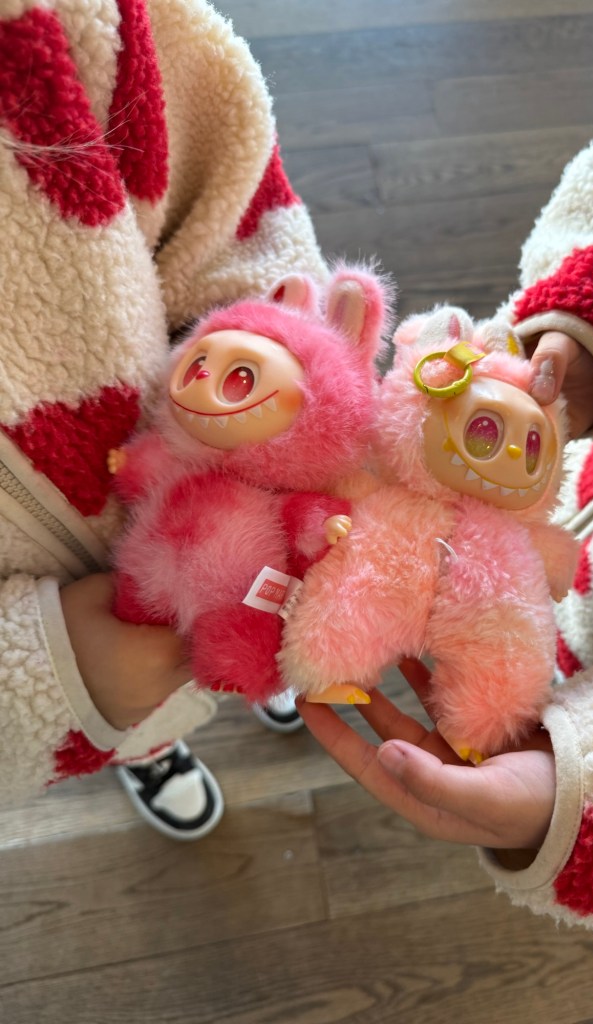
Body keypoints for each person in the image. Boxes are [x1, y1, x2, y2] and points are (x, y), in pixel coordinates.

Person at [299, 0, 593, 945]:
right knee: (333, 569)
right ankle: (313, 638)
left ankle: (323, 646)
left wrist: (590, 792)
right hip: (583, 464)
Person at [0, 0, 322, 838]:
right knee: (132, 707)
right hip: (77, 649)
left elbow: (224, 175)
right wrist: (52, 676)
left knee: (265, 610)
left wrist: (277, 354)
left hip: (223, 499)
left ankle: (263, 650)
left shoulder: (50, 23)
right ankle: (148, 747)